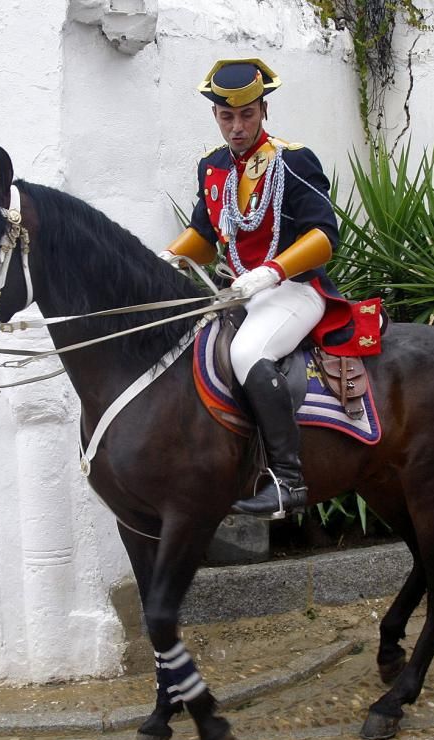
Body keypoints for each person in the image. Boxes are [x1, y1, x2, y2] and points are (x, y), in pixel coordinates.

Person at [160, 58, 342, 517]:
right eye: (227, 117)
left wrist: (273, 271)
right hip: (238, 293)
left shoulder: (293, 159)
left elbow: (324, 236)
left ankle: (288, 481)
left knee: (246, 354)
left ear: (262, 110)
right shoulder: (212, 167)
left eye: (247, 115)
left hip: (294, 290)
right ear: (215, 116)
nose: (237, 127)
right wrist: (168, 257)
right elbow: (204, 236)